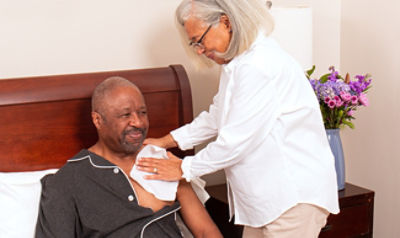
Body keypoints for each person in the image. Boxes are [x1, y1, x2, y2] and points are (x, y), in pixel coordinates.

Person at [135, 0, 340, 237]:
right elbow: (217, 115)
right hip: (268, 200)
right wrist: (166, 141)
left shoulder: (258, 66)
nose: (199, 51)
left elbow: (235, 142)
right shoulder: (238, 63)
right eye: (194, 44)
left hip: (291, 196)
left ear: (226, 22)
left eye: (199, 41)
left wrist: (183, 168)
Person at [35, 76, 222, 238]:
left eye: (143, 113)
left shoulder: (164, 163)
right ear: (97, 120)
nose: (138, 122)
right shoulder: (66, 182)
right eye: (125, 115)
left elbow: (205, 231)